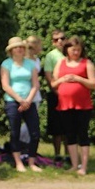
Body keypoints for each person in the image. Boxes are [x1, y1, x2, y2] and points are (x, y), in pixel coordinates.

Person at [50, 36, 95, 175]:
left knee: (83, 134)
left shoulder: (86, 63)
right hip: (65, 104)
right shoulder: (60, 63)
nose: (75, 52)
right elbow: (53, 83)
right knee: (69, 134)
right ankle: (75, 165)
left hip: (83, 105)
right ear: (67, 50)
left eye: (78, 50)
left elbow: (93, 84)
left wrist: (78, 79)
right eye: (73, 49)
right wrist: (62, 80)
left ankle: (84, 166)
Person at [1, 36, 42, 172]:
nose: (19, 49)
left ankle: (32, 162)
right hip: (13, 102)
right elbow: (6, 85)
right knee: (15, 132)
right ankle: (18, 162)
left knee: (35, 132)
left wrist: (28, 100)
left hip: (29, 101)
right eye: (16, 47)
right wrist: (19, 99)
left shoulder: (30, 64)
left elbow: (35, 84)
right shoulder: (6, 64)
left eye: (21, 47)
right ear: (11, 50)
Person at [43, 29, 67, 162]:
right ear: (53, 42)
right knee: (56, 127)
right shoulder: (50, 56)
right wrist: (57, 91)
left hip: (70, 96)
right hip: (56, 95)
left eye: (62, 38)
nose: (60, 41)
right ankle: (58, 155)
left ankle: (69, 154)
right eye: (56, 39)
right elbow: (48, 76)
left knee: (69, 126)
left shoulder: (71, 54)